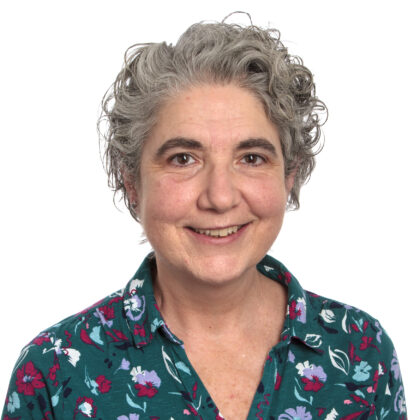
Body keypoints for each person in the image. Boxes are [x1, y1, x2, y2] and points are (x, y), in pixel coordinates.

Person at [2, 15, 407, 420]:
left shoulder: (362, 353)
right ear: (132, 182)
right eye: (183, 158)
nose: (220, 196)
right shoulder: (55, 373)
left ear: (289, 176)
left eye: (252, 158)